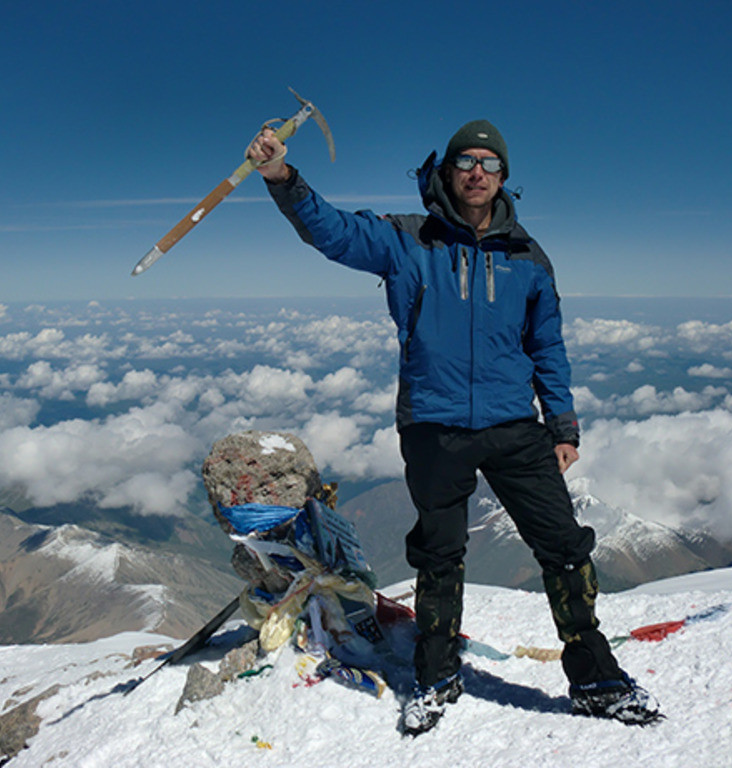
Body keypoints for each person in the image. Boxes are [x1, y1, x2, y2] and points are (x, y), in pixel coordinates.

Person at [249, 120, 660, 734]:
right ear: (448, 172)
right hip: (434, 424)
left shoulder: (527, 256)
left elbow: (547, 344)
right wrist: (282, 176)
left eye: (489, 164)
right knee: (440, 554)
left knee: (565, 549)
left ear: (503, 179)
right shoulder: (407, 240)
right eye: (466, 161)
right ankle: (436, 678)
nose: (477, 172)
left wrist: (563, 425)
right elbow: (332, 233)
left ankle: (597, 679)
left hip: (514, 424)